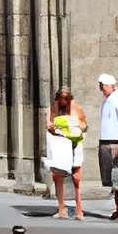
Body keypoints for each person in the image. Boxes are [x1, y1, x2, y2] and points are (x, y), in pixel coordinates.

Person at [44, 86, 86, 220]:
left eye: (66, 99)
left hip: (74, 144)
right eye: (61, 99)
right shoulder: (52, 109)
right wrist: (51, 127)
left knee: (76, 176)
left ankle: (79, 209)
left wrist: (76, 126)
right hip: (60, 144)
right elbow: (49, 125)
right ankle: (62, 208)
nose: (63, 102)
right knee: (58, 175)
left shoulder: (76, 108)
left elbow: (84, 125)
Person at [97, 72, 118, 220]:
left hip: (114, 143)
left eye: (103, 86)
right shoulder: (108, 100)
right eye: (100, 86)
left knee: (117, 179)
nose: (101, 89)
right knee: (112, 180)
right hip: (106, 143)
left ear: (111, 85)